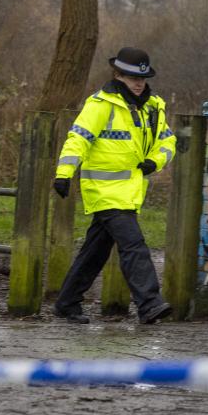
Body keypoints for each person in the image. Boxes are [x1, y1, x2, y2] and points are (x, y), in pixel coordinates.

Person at [51, 47, 177, 324]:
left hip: (130, 191)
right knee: (134, 246)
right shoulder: (100, 105)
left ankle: (67, 303)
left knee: (95, 251)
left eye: (142, 77)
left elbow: (168, 142)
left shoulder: (154, 107)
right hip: (104, 191)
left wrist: (153, 162)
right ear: (118, 74)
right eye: (132, 76)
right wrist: (64, 173)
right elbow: (78, 139)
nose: (138, 82)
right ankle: (150, 304)